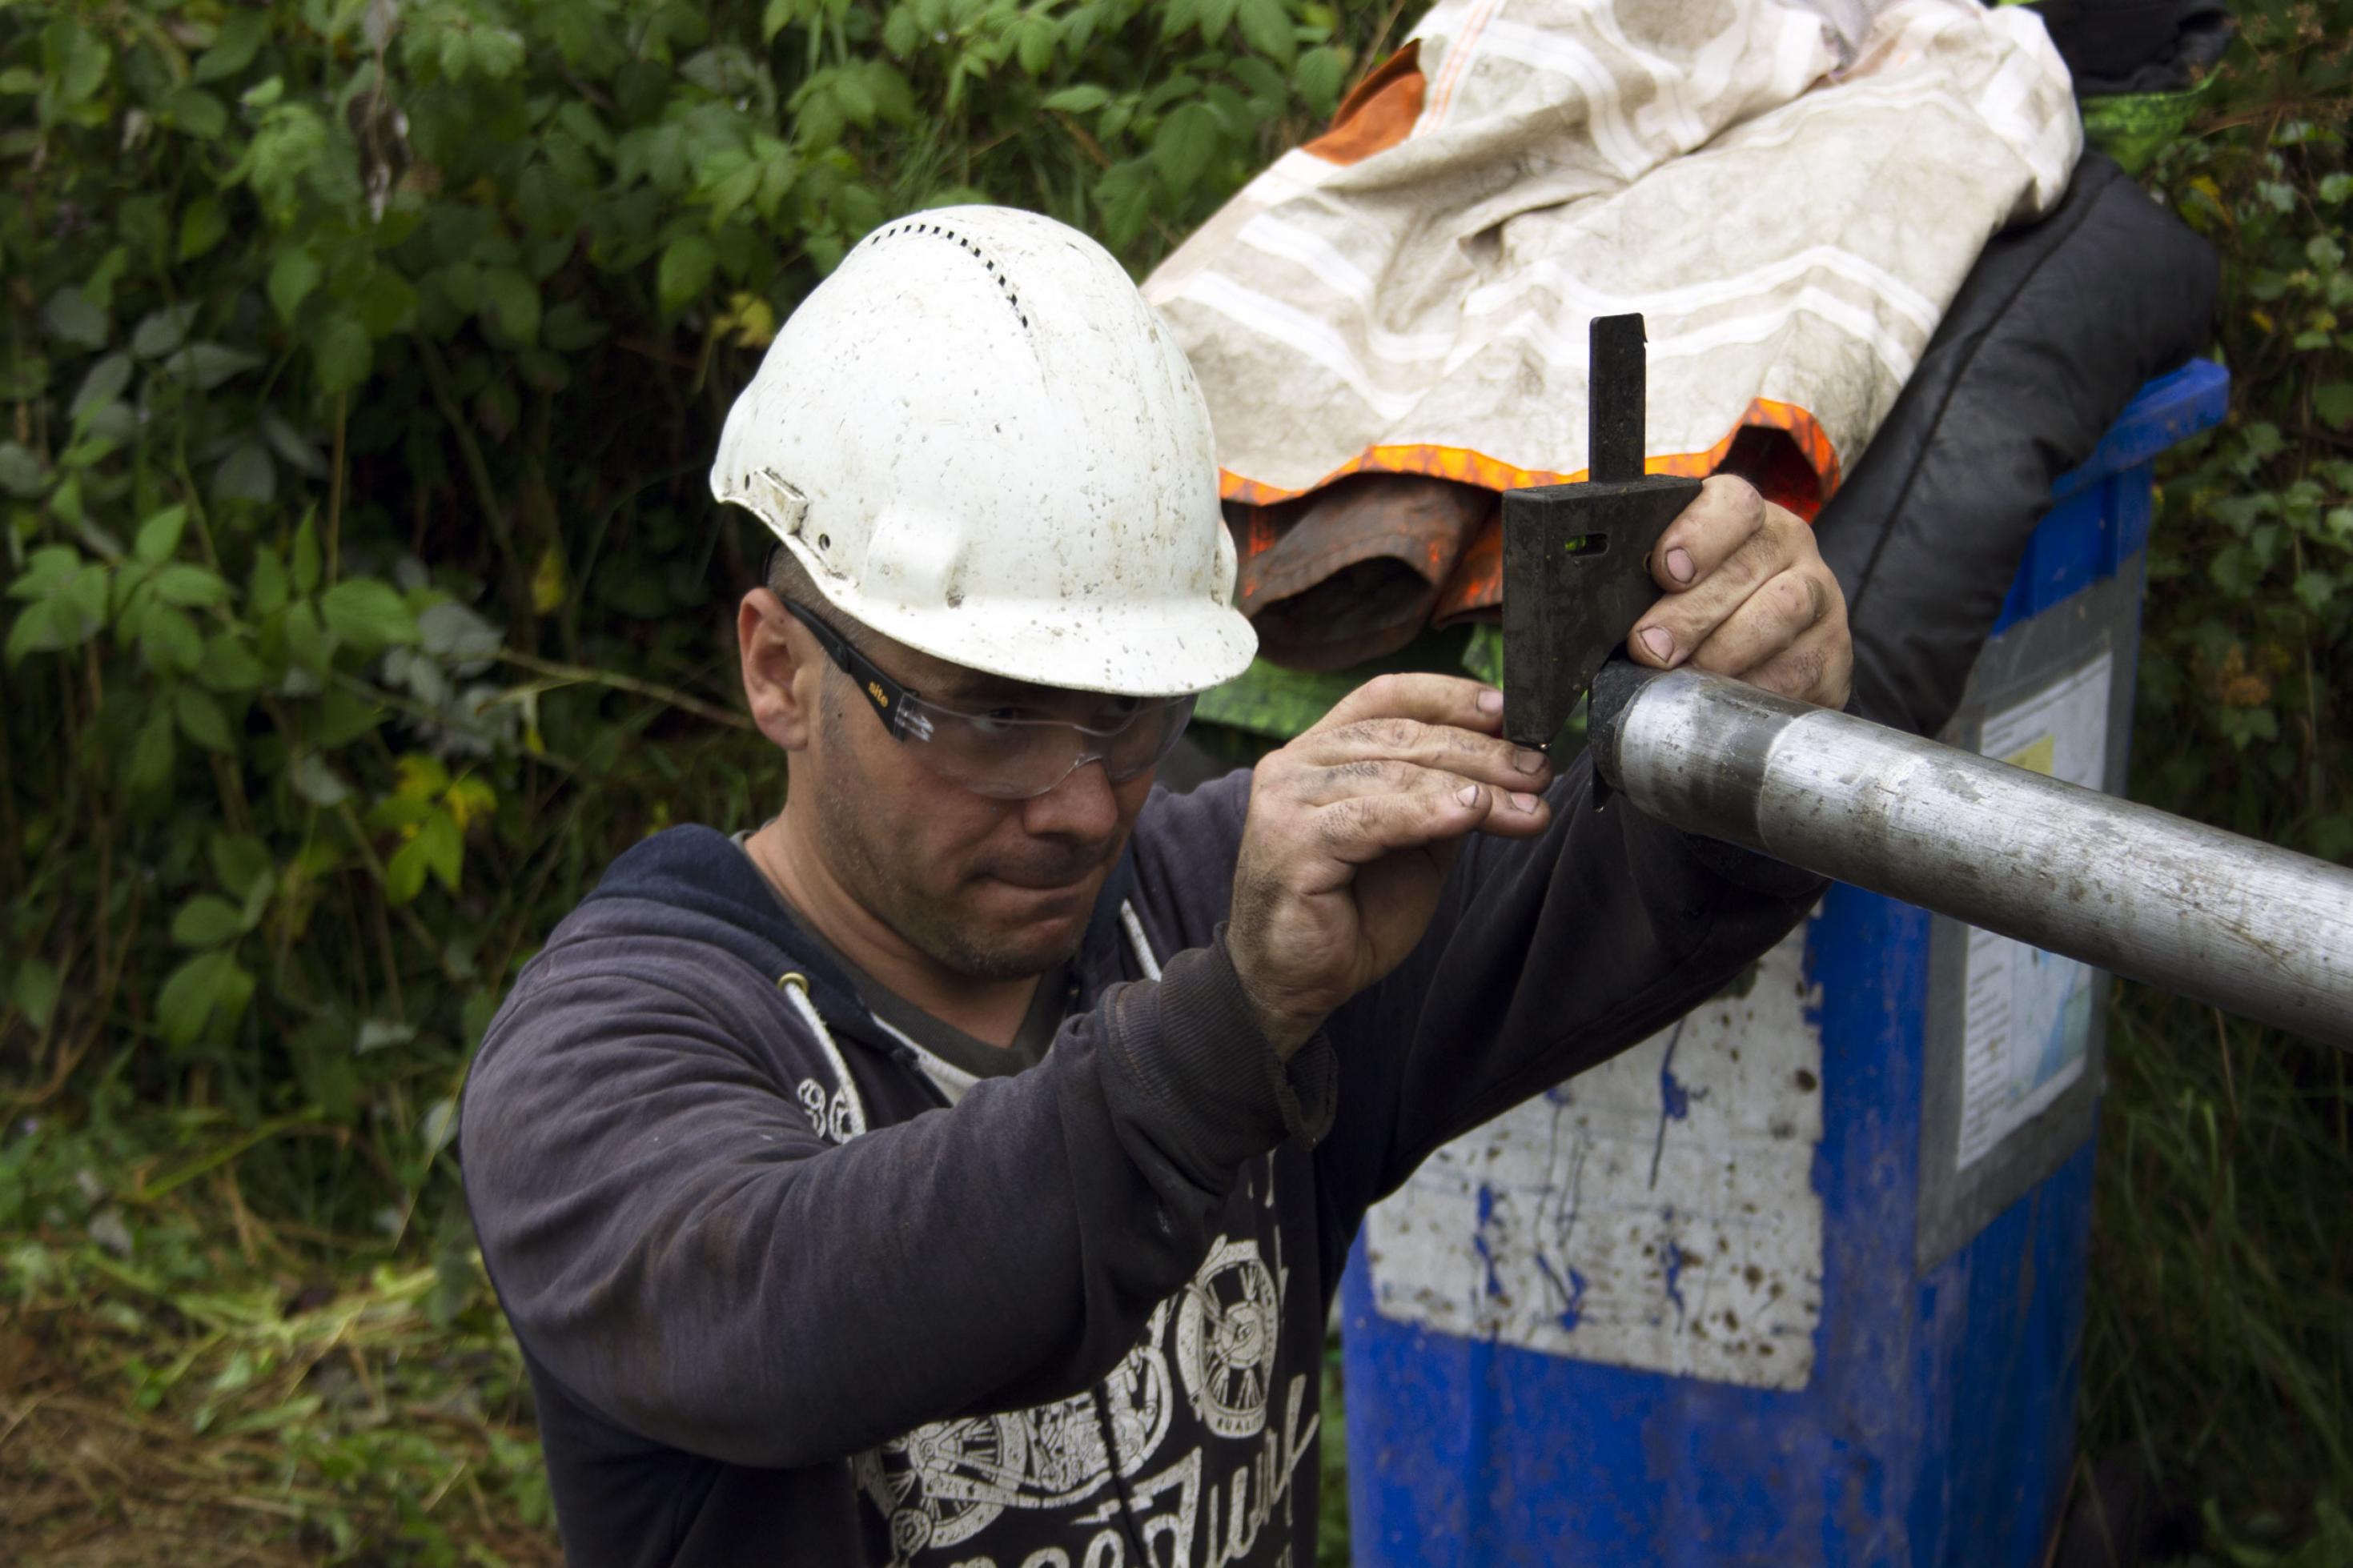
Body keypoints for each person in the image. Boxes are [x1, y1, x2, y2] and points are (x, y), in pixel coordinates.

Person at [460, 207, 1853, 1568]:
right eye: (991, 716)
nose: (1078, 805)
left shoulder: (1228, 908)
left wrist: (1749, 728)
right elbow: (785, 1310)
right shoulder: (604, 1054)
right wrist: (1227, 1034)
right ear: (778, 669)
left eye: (1129, 715)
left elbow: (1644, 904)